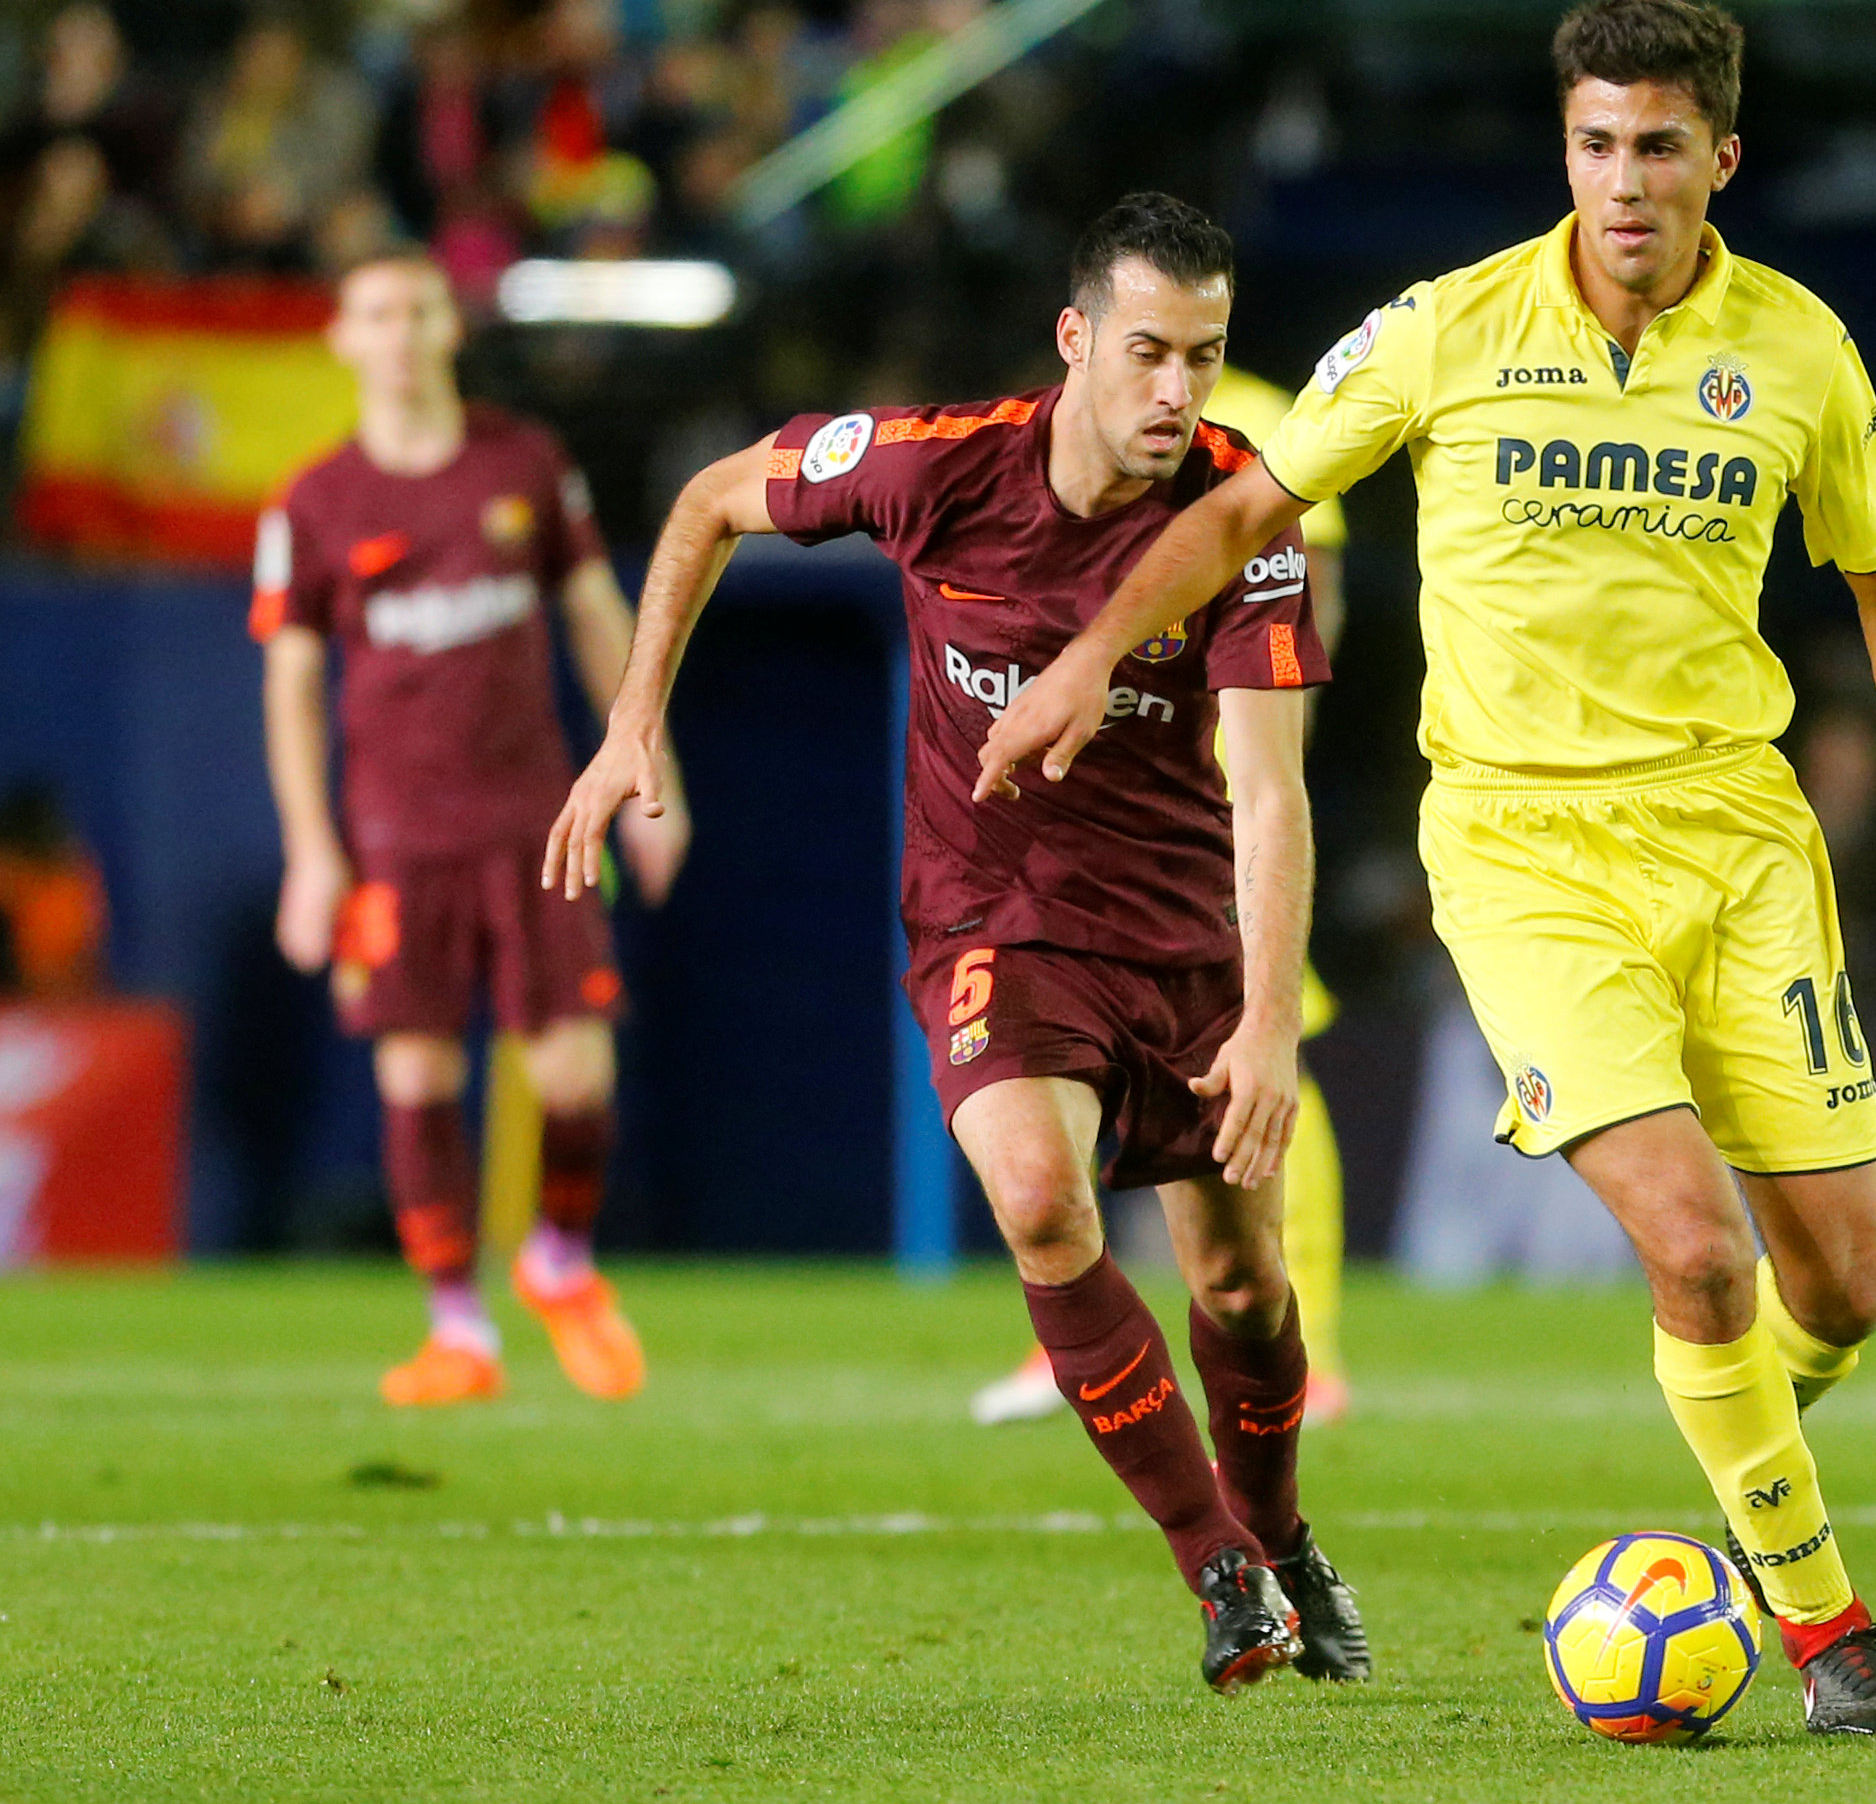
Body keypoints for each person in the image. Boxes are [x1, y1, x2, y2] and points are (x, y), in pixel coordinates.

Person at [977, 0, 1876, 1737]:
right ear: (1566, 151)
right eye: (1595, 143)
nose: (1624, 180)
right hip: (1525, 850)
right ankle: (1833, 1634)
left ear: (1719, 159)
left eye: (1660, 146)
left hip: (1741, 841)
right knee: (1697, 1253)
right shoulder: (1446, 330)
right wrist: (1083, 654)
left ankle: (1740, 1468)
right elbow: (1243, 509)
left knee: (1844, 1281)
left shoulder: (1801, 353)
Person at [545, 193, 1368, 1693]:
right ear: (1074, 342)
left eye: (1204, 354)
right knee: (1045, 1205)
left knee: (1241, 1289)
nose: (1177, 391)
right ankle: (1220, 1569)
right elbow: (709, 502)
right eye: (1146, 354)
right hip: (994, 918)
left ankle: (1282, 1533)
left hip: (1181, 927)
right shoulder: (938, 465)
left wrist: (1264, 1018)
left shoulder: (1246, 509)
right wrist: (632, 715)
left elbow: (1267, 787)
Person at [255, 254, 680, 1407]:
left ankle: (557, 1255)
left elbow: (597, 614)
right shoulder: (314, 500)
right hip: (396, 832)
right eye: (378, 314)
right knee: (417, 1069)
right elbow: (291, 681)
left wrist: (651, 768)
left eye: (419, 310)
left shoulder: (523, 461)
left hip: (533, 816)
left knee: (575, 1067)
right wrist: (310, 846)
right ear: (344, 338)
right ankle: (458, 1327)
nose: (400, 334)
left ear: (450, 325)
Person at [966, 358, 1358, 1430]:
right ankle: (1079, 1333)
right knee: (1072, 1042)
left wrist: (1261, 769)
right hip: (1096, 788)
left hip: (1214, 791)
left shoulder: (1271, 420)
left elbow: (1298, 601)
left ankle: (1307, 1338)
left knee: (1269, 1052)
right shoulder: (1065, 427)